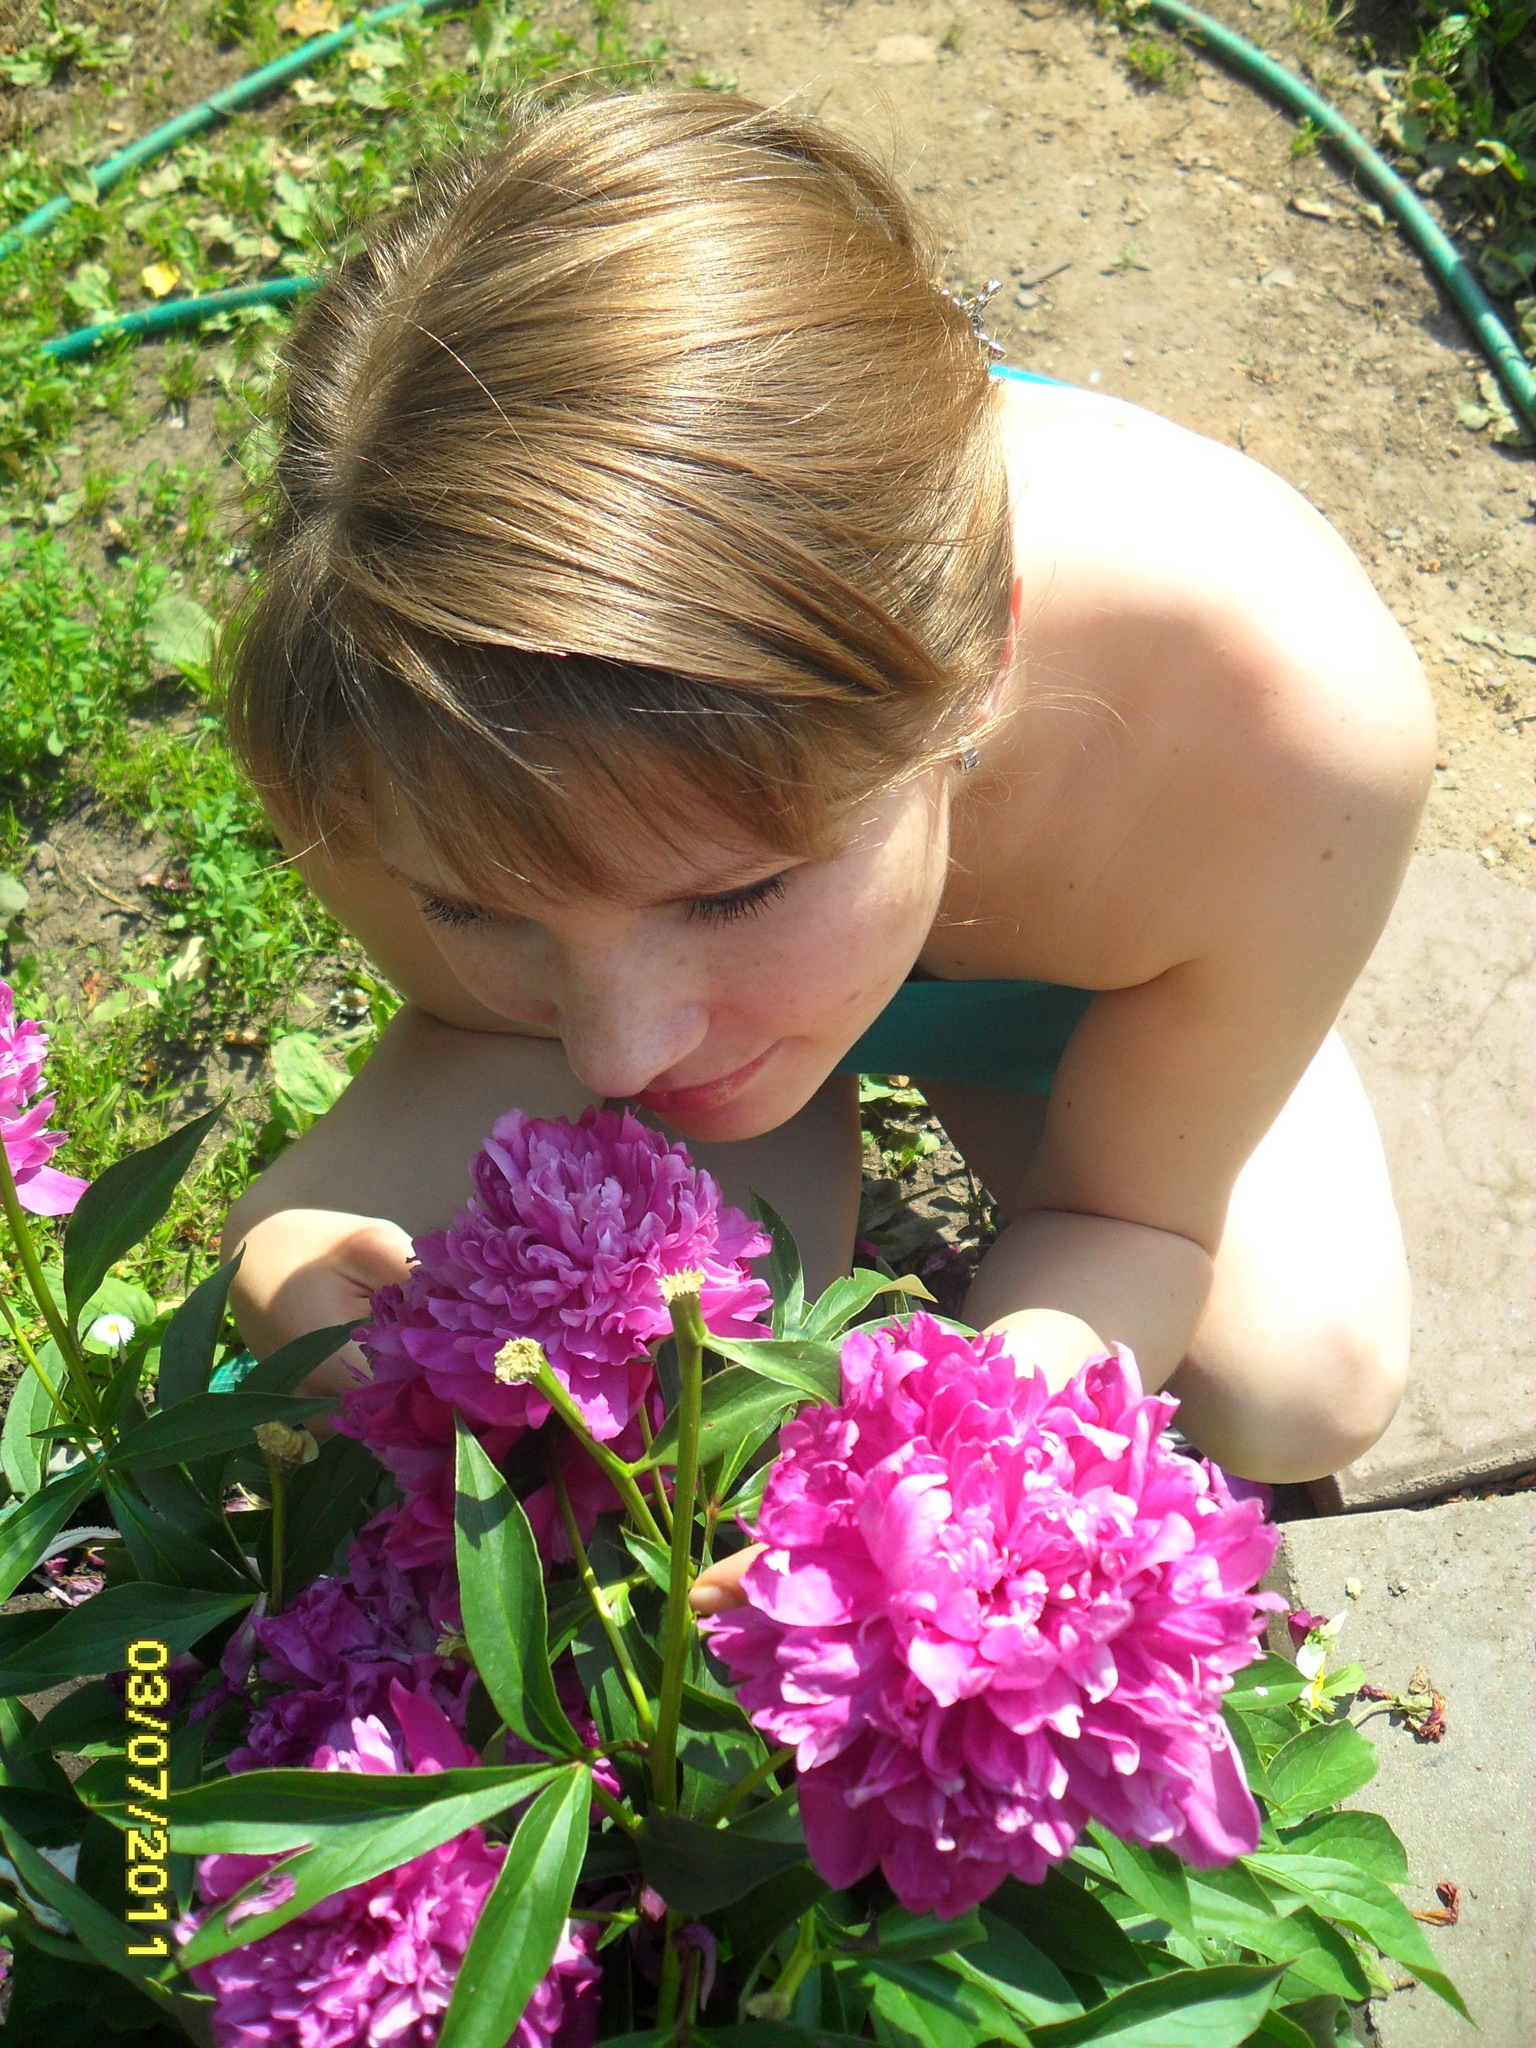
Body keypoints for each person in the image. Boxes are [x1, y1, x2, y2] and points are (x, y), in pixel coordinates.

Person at [219, 89, 1433, 1579]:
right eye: (486, 906)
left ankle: (1235, 999)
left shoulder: (1275, 723)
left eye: (732, 894)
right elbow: (464, 1045)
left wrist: (936, 1464)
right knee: (682, 1415)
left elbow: (1134, 1218)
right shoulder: (388, 703)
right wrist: (288, 1240)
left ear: (982, 665)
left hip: (1082, 979)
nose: (619, 1053)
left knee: (1300, 1384)